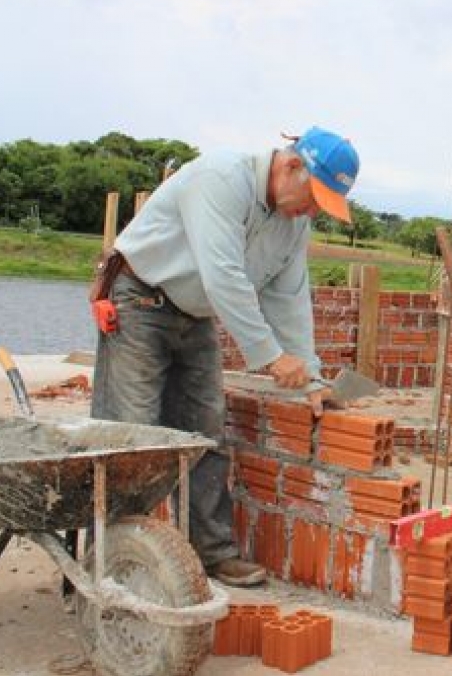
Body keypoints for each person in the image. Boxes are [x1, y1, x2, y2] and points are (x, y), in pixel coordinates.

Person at [90, 126, 359, 587]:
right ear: (291, 165)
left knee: (206, 433)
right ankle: (108, 563)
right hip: (140, 300)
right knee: (132, 434)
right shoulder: (221, 178)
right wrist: (272, 358)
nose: (313, 210)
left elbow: (289, 299)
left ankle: (211, 552)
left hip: (193, 315)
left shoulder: (294, 224)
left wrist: (312, 377)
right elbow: (223, 276)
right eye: (314, 197)